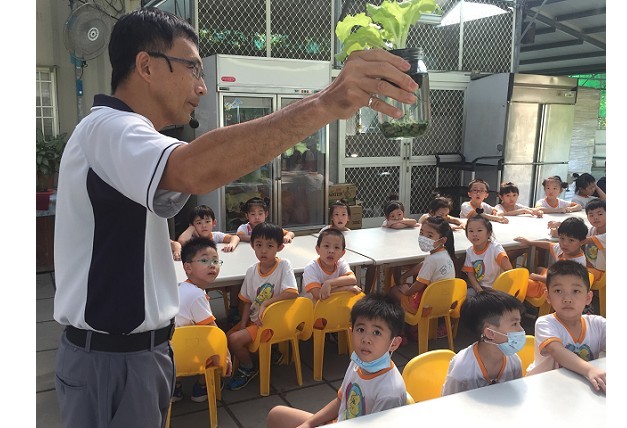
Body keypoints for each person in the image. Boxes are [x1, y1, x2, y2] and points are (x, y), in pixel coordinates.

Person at [52, 6, 419, 426]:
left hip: (133, 354)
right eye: (192, 68)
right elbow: (194, 169)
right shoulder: (110, 128)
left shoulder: (126, 135)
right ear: (146, 66)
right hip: (113, 360)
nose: (202, 86)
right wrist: (325, 103)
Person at [266, 294, 407, 427]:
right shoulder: (358, 362)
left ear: (394, 343)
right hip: (338, 422)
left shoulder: (389, 392)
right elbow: (340, 400)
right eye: (361, 330)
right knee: (276, 415)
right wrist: (309, 424)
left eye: (377, 332)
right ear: (351, 332)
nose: (366, 339)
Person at [226, 223, 299, 390]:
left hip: (271, 322)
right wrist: (243, 324)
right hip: (255, 320)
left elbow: (292, 292)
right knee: (228, 335)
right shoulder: (251, 271)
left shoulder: (284, 265)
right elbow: (247, 302)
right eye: (259, 245)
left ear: (280, 247)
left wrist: (266, 303)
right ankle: (269, 354)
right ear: (252, 245)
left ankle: (248, 368)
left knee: (234, 340)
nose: (263, 250)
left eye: (270, 246)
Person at [526, 261, 606, 393]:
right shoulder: (545, 323)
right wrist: (589, 370)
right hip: (543, 389)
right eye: (558, 291)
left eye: (576, 291)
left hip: (578, 389)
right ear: (548, 296)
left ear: (588, 297)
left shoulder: (598, 324)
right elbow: (556, 351)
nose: (567, 299)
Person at [173, 237, 233, 402]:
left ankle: (174, 387)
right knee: (214, 346)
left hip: (168, 354)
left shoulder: (181, 287)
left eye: (215, 260)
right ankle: (202, 386)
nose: (212, 265)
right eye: (205, 260)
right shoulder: (196, 295)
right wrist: (226, 354)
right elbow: (212, 330)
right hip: (184, 355)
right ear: (188, 267)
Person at [442, 288, 525, 396]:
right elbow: (449, 402)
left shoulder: (514, 362)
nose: (521, 330)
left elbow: (516, 395)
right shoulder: (462, 369)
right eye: (514, 324)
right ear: (490, 333)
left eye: (519, 323)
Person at [514, 216, 588, 299]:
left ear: (582, 242)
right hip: (552, 280)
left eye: (571, 240)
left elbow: (560, 282)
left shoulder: (577, 263)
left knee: (518, 282)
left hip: (555, 291)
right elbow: (549, 245)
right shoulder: (564, 249)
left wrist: (537, 277)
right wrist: (530, 242)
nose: (565, 243)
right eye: (562, 238)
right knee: (539, 269)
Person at [303, 228, 361, 302]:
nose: (331, 251)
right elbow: (318, 295)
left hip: (335, 303)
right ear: (317, 249)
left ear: (342, 253)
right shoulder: (311, 268)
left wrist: (329, 283)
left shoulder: (341, 263)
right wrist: (345, 288)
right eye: (326, 246)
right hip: (313, 307)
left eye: (336, 247)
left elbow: (352, 279)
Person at [462, 215, 513, 295]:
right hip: (480, 289)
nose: (475, 234)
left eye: (479, 230)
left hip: (498, 290)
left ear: (489, 233)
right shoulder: (469, 251)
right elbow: (470, 275)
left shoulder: (495, 248)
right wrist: (479, 290)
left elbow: (509, 271)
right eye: (471, 231)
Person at [582, 199, 606, 283]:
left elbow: (581, 240)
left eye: (600, 214)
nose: (595, 218)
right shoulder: (592, 230)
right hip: (590, 267)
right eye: (591, 215)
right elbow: (578, 235)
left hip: (603, 272)